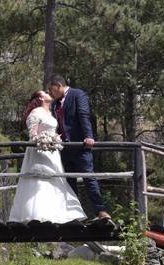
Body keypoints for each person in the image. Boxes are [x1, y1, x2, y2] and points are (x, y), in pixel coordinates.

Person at [8, 90, 86, 224]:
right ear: (40, 98)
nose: (48, 93)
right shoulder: (36, 112)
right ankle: (37, 215)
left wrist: (54, 139)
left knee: (54, 178)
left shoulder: (51, 112)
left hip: (53, 152)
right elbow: (32, 135)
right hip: (40, 151)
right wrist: (44, 140)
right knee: (40, 179)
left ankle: (56, 214)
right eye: (45, 92)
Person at [47, 75, 111, 220]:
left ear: (58, 85)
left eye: (52, 90)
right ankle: (75, 215)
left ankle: (101, 211)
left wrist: (89, 136)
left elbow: (83, 115)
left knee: (89, 178)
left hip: (80, 146)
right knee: (69, 181)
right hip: (64, 148)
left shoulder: (77, 94)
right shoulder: (56, 104)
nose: (51, 94)